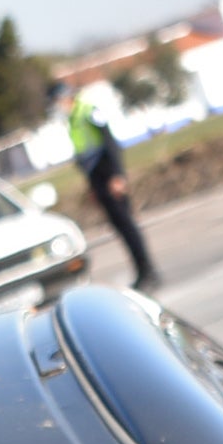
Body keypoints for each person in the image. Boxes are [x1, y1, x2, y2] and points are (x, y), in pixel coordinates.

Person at [59, 81, 161, 292]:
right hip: (97, 178)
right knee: (120, 228)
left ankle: (149, 271)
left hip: (109, 175)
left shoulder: (88, 111)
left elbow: (110, 143)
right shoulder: (73, 118)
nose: (58, 106)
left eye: (58, 100)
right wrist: (93, 187)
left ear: (67, 97)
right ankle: (141, 271)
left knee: (127, 225)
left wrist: (117, 176)